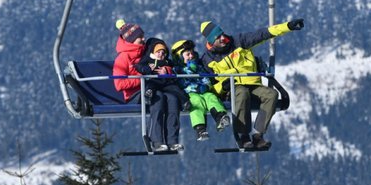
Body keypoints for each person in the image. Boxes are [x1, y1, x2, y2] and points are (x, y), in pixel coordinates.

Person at [199, 19, 304, 149]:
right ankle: (243, 136)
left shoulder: (238, 42)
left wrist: (288, 26)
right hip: (232, 89)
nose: (223, 38)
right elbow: (209, 86)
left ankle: (258, 135)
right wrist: (222, 86)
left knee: (271, 94)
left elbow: (263, 34)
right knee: (242, 93)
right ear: (210, 41)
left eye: (222, 34)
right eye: (218, 37)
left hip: (252, 84)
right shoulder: (207, 59)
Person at [112, 19, 184, 152]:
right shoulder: (123, 58)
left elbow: (163, 62)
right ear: (132, 40)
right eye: (140, 37)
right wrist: (142, 79)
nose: (143, 39)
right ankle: (156, 141)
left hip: (154, 87)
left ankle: (172, 141)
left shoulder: (144, 52)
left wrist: (166, 71)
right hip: (134, 94)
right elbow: (119, 84)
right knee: (158, 97)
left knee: (173, 99)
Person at [171, 39, 230, 141]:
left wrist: (206, 86)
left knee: (211, 97)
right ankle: (200, 128)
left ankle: (220, 116)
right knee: (196, 102)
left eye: (192, 53)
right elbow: (182, 83)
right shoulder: (178, 70)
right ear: (179, 57)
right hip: (190, 93)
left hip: (203, 91)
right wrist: (196, 87)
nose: (191, 56)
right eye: (187, 54)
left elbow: (205, 78)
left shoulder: (199, 67)